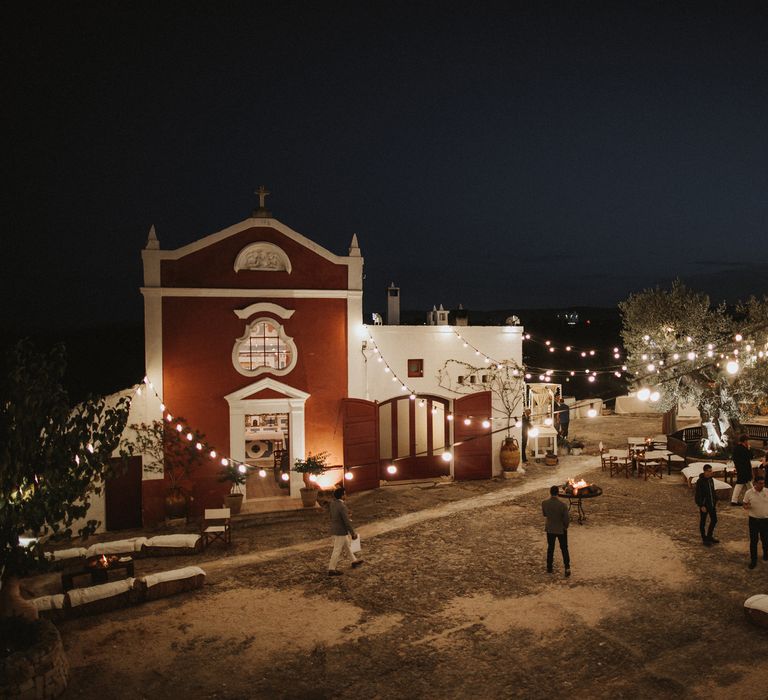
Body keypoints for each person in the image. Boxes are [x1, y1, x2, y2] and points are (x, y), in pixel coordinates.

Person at [327, 486, 363, 576]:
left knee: (347, 546)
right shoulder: (342, 506)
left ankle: (354, 560)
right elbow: (346, 522)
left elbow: (333, 515)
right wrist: (353, 533)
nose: (346, 495)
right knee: (337, 549)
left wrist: (346, 514)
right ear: (342, 495)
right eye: (345, 494)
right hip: (341, 531)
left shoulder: (333, 503)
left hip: (335, 528)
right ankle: (331, 568)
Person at [542, 485, 570, 577]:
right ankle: (567, 568)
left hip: (550, 529)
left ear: (550, 492)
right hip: (561, 529)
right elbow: (566, 519)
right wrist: (565, 526)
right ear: (558, 493)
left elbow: (545, 514)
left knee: (550, 548)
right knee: (564, 548)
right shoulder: (563, 505)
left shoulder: (544, 503)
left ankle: (549, 567)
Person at [743, 475, 768, 569]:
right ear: (755, 483)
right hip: (754, 520)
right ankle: (753, 560)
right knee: (754, 541)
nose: (762, 485)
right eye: (760, 483)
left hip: (765, 520)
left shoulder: (767, 491)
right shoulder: (748, 493)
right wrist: (746, 506)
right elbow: (744, 505)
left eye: (763, 483)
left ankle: (766, 554)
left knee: (765, 539)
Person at [694, 464, 719, 546]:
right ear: (704, 471)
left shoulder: (711, 480)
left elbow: (712, 491)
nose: (710, 472)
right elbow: (698, 495)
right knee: (703, 522)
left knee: (714, 520)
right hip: (704, 505)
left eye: (711, 471)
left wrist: (716, 500)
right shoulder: (700, 481)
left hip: (711, 504)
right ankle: (704, 538)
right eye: (708, 471)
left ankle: (709, 536)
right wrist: (701, 505)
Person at [731, 433, 753, 506]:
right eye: (748, 441)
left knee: (748, 484)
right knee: (741, 484)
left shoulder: (736, 448)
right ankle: (734, 500)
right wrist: (749, 448)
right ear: (745, 441)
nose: (749, 442)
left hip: (741, 469)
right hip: (744, 469)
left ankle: (753, 497)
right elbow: (750, 456)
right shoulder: (743, 449)